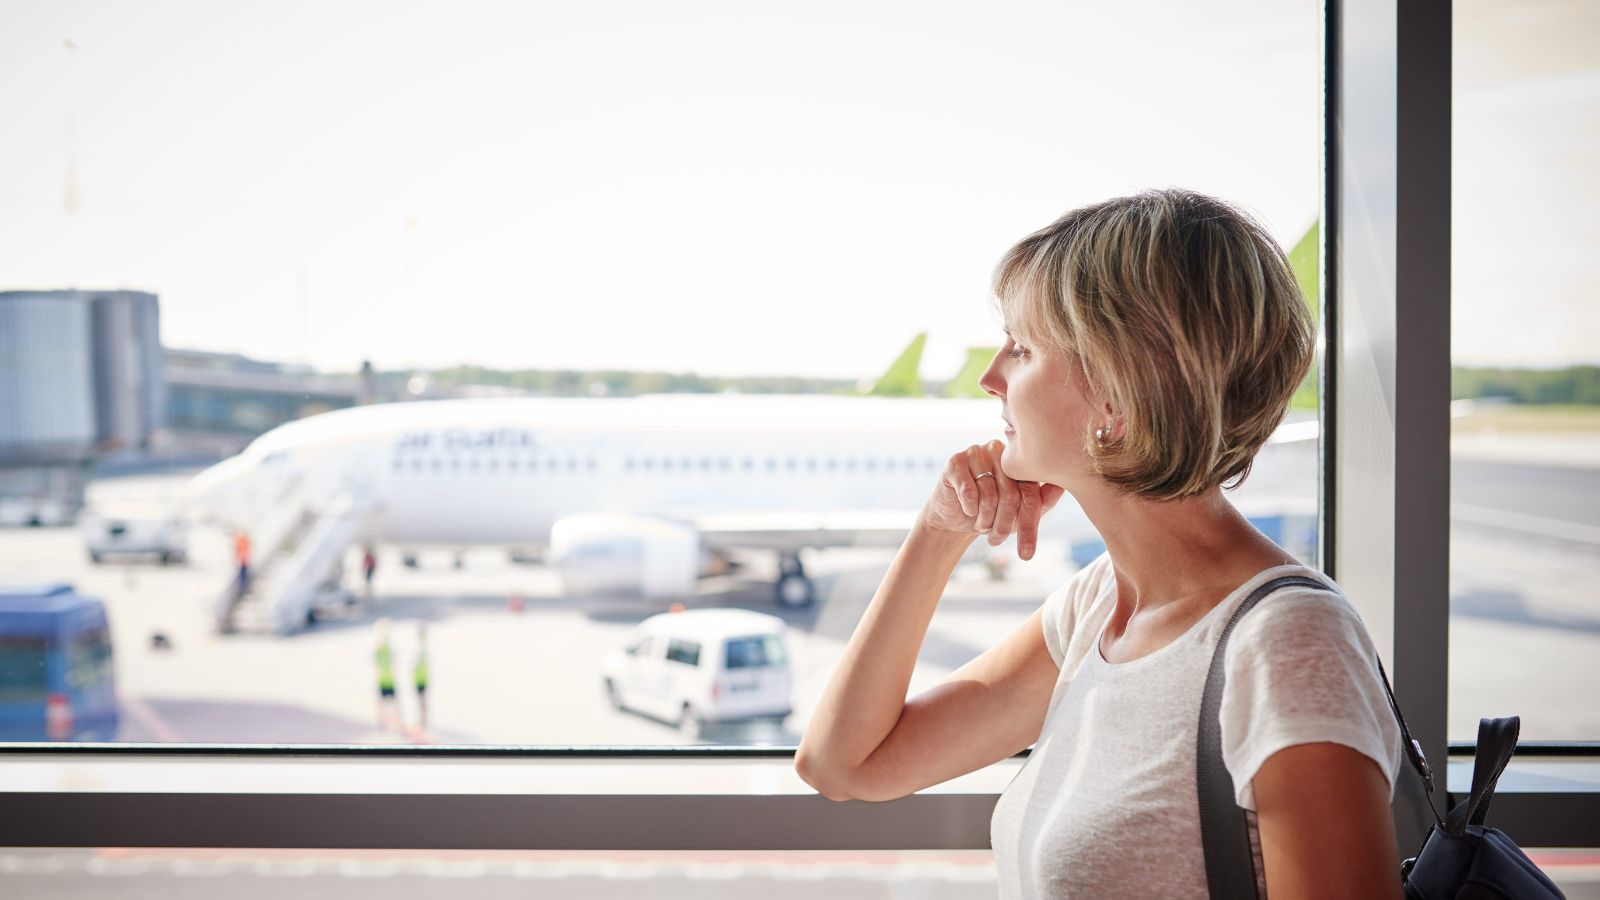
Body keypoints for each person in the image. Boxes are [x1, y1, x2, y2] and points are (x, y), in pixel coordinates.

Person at [795, 189, 1406, 899]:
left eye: (1021, 348)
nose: (992, 378)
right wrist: (937, 532)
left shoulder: (1288, 644)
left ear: (1117, 396)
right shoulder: (1096, 609)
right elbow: (844, 765)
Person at [373, 618, 400, 732]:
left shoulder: (383, 647)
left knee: (389, 703)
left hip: (386, 678)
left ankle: (387, 723)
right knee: (387, 703)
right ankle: (384, 723)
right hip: (385, 679)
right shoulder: (382, 647)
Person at [412, 621, 430, 733]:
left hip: (420, 678)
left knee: (421, 700)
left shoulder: (421, 647)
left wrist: (412, 670)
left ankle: (423, 721)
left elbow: (418, 663)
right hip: (422, 677)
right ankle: (422, 720)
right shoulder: (423, 645)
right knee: (422, 700)